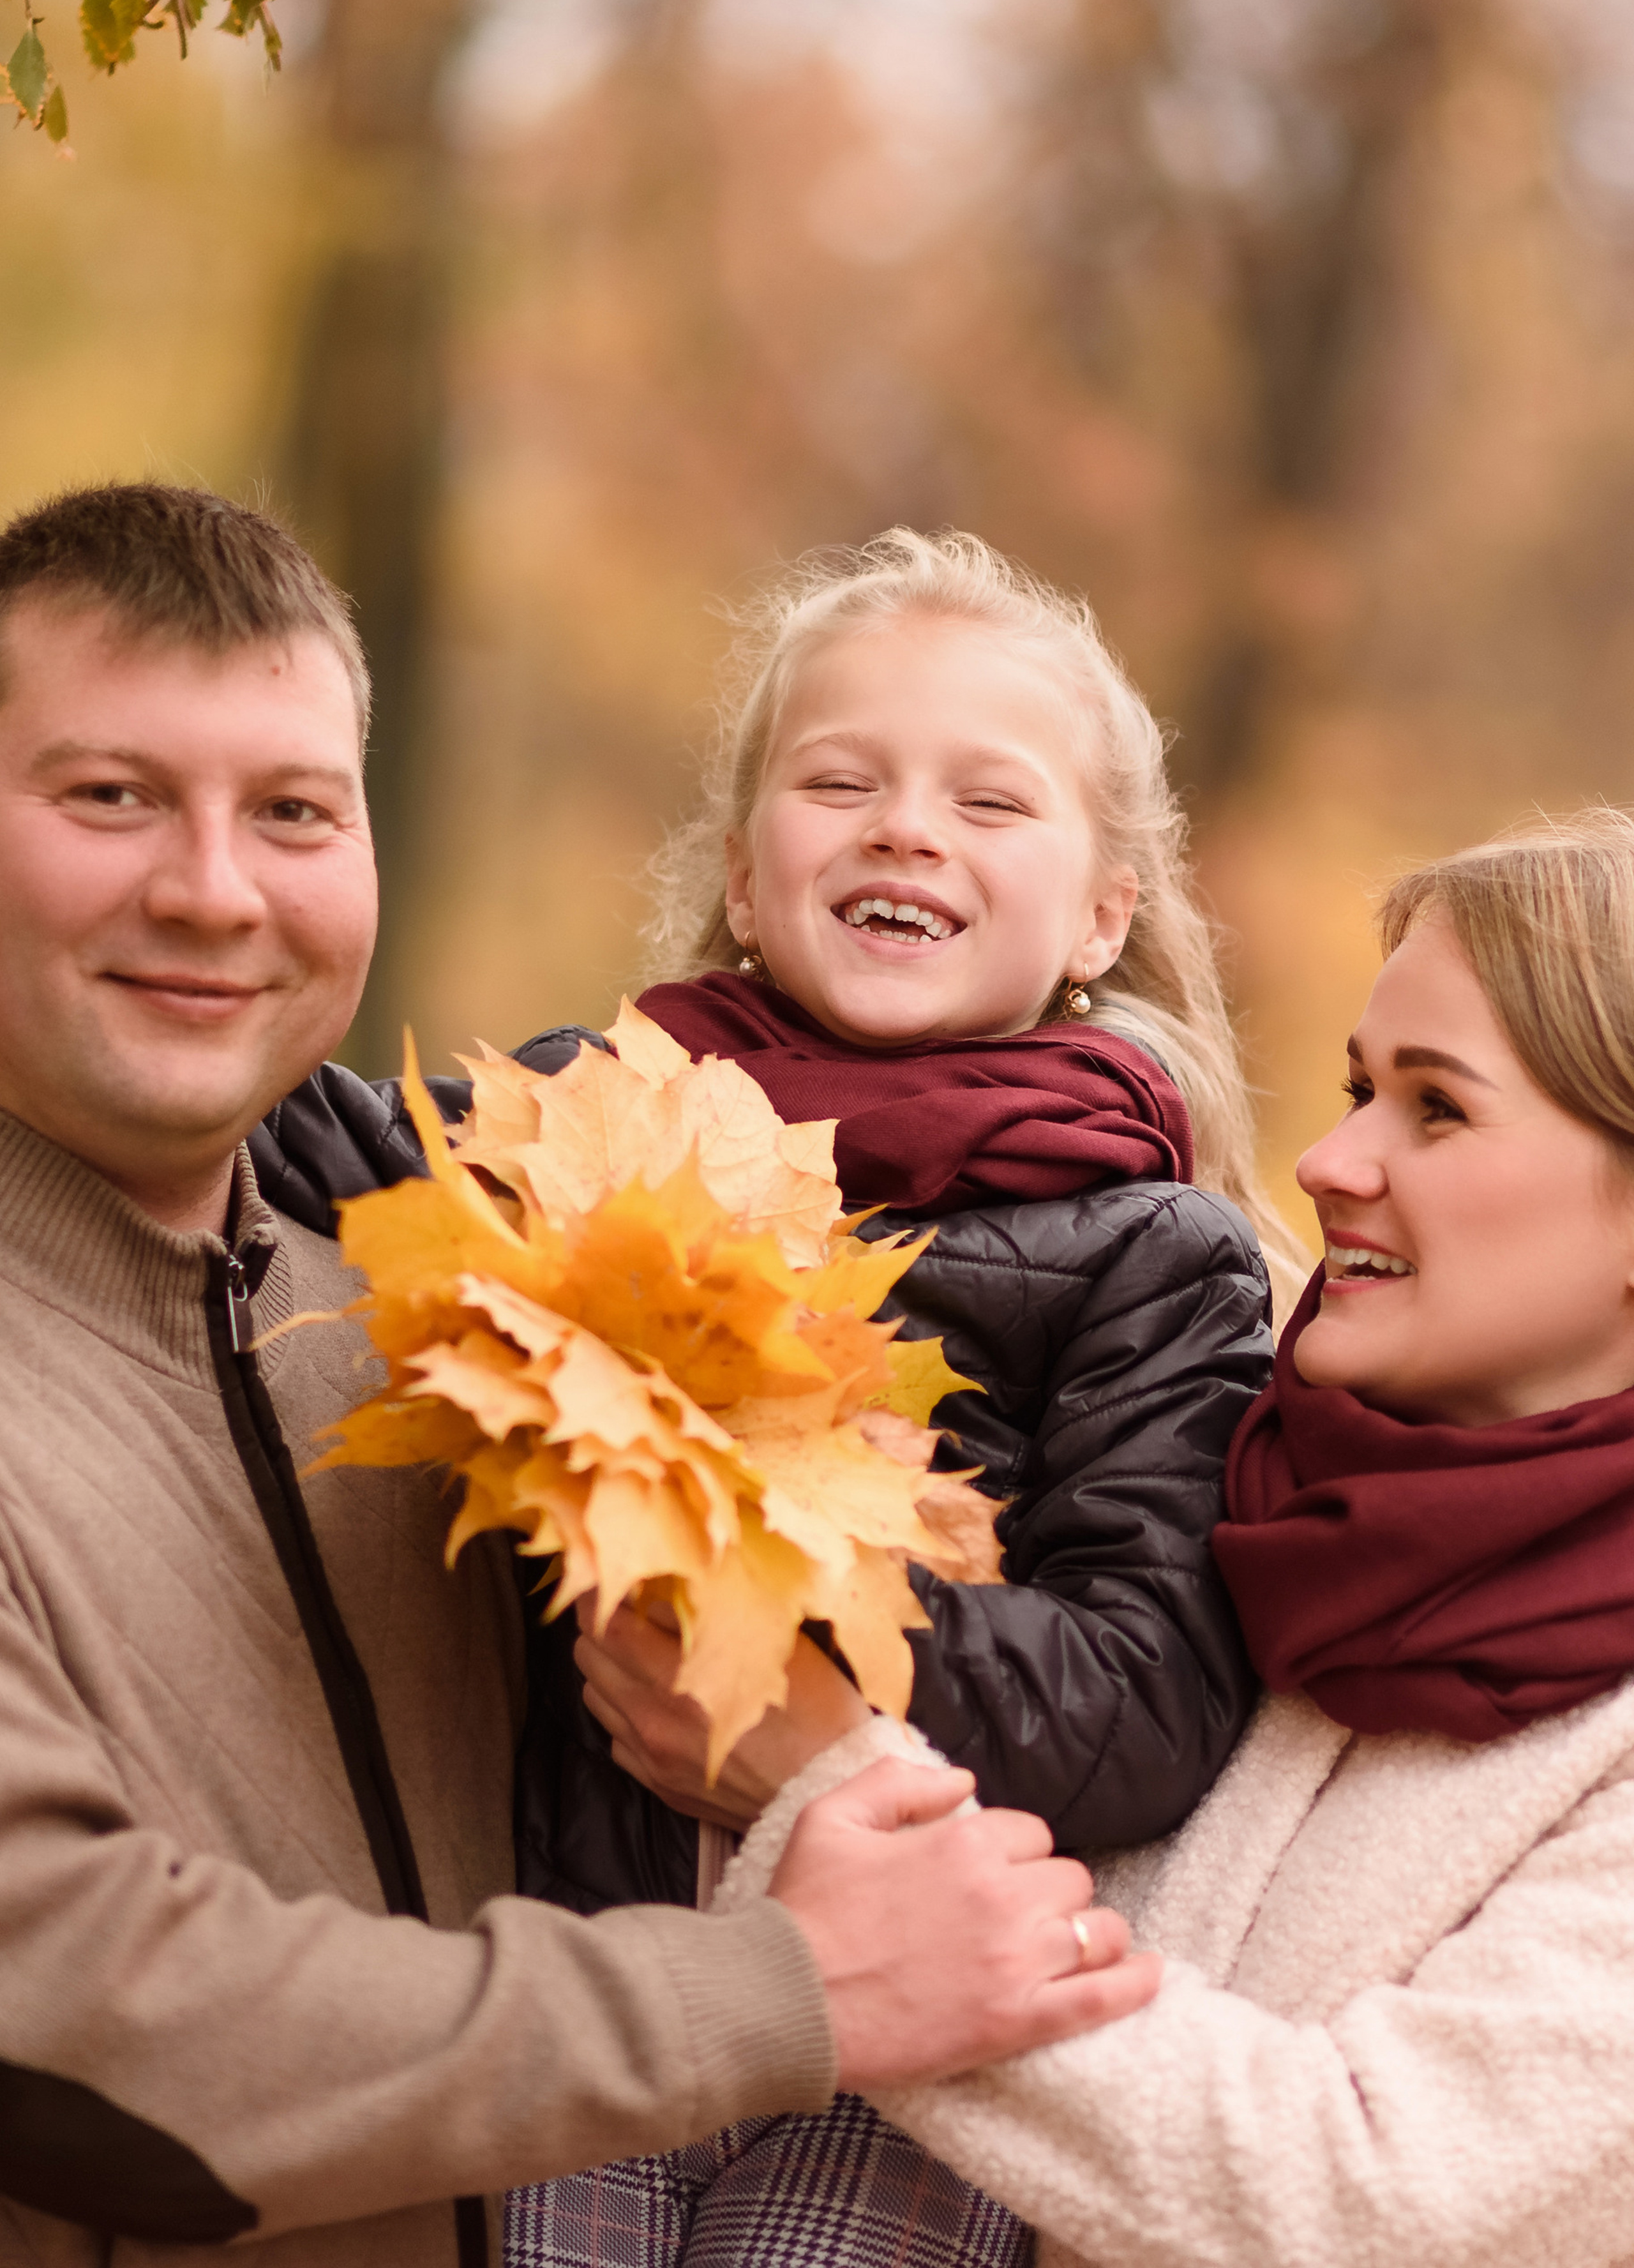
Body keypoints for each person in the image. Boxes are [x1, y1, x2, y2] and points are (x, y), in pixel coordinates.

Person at [0, 483, 1158, 2268]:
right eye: (110, 797)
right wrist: (777, 1989)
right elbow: (79, 2041)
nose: (213, 891)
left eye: (295, 811)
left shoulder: (446, 1330)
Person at [258, 530, 1288, 2267]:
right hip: (590, 1970)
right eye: (843, 780)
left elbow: (1142, 1701)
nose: (907, 828)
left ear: (1106, 913)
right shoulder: (599, 1126)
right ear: (746, 875)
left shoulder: (1157, 1257)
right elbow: (294, 1131)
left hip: (916, 2056)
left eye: (991, 802)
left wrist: (784, 1618)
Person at [721, 806, 1634, 2268]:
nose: (1328, 1163)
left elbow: (1365, 2194)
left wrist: (829, 1784)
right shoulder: (1219, 1494)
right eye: (1352, 1089)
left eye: (1435, 1107)